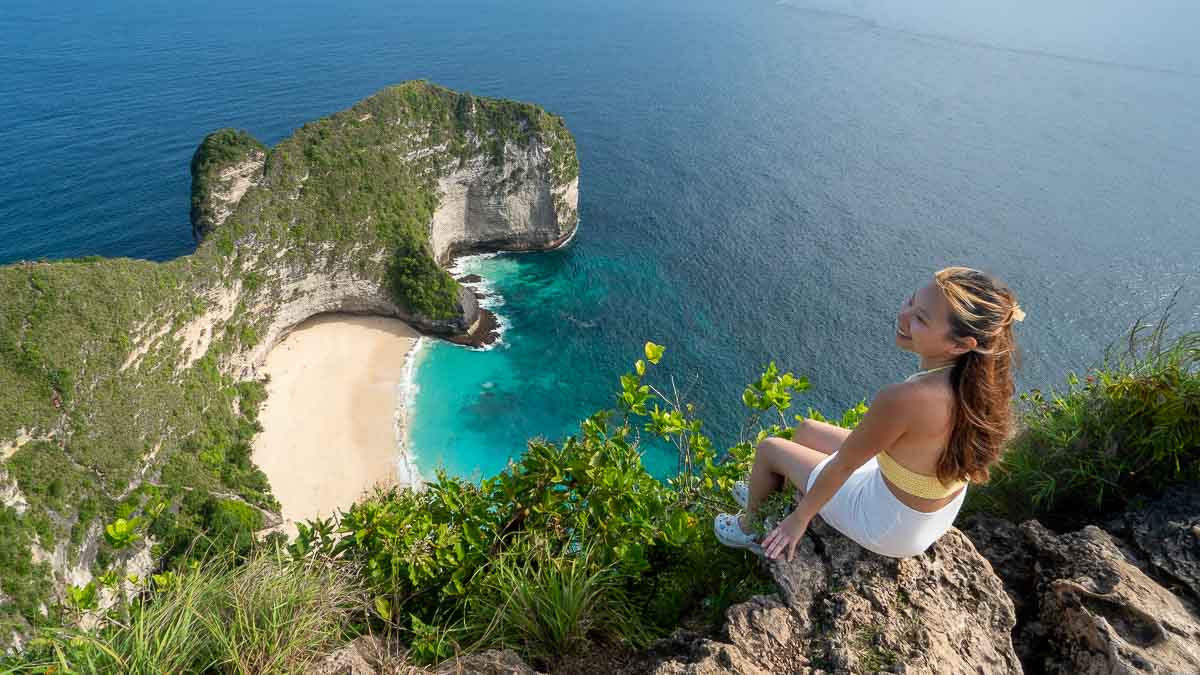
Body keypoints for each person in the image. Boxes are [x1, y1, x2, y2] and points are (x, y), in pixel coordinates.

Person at [714, 266, 1024, 561]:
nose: (903, 316)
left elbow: (844, 465)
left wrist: (799, 519)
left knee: (771, 449)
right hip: (926, 514)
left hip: (886, 525)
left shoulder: (905, 399)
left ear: (960, 345)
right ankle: (773, 500)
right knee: (807, 430)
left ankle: (753, 529)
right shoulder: (979, 387)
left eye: (921, 319)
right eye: (911, 301)